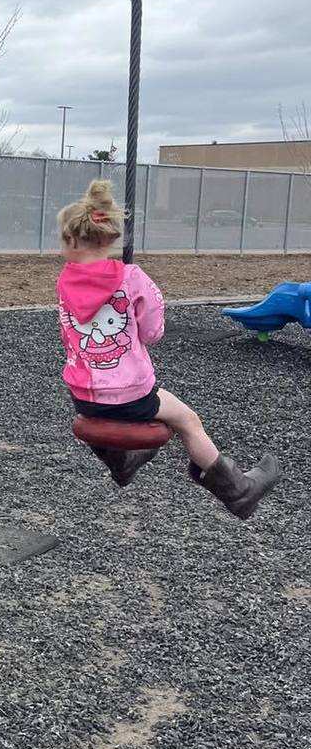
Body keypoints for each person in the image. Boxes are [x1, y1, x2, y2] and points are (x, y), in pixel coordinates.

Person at [56, 179, 279, 520]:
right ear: (110, 238)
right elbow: (153, 331)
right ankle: (239, 491)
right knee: (187, 421)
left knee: (112, 409)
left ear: (71, 239)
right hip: (130, 393)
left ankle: (122, 462)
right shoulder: (130, 278)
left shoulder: (65, 282)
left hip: (82, 394)